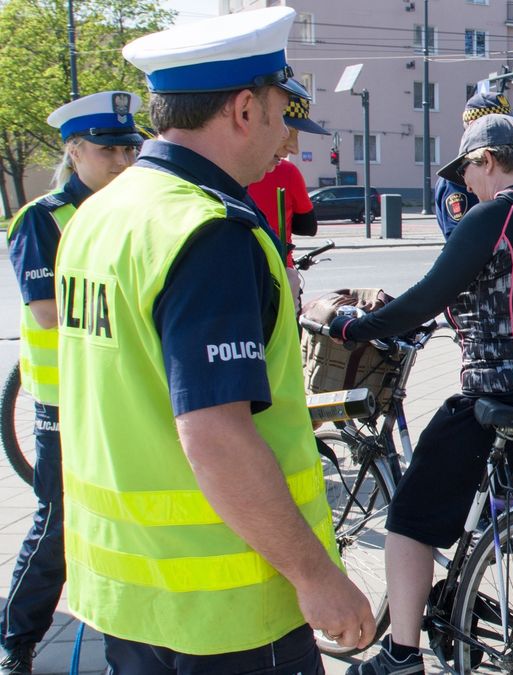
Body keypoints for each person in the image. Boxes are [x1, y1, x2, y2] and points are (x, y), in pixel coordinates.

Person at [53, 7, 375, 671]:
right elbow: (217, 435)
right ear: (242, 108)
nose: (288, 138)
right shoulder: (209, 232)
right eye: (283, 111)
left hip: (130, 593)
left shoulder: (100, 214)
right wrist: (318, 577)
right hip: (227, 613)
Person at [316, 115, 513, 675]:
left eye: (467, 170)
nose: (465, 184)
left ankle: (400, 656)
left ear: (487, 160)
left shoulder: (495, 216)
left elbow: (426, 296)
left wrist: (347, 327)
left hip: (503, 397)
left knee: (411, 518)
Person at [0, 91, 142, 675]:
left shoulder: (132, 210)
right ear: (75, 151)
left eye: (131, 148)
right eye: (109, 150)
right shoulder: (43, 218)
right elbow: (47, 311)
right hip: (66, 405)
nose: (123, 161)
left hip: (121, 401)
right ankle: (17, 642)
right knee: (57, 525)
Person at [247, 94, 330, 268]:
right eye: (286, 131)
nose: (295, 148)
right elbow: (308, 227)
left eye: (296, 134)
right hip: (281, 270)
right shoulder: (287, 171)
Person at [432, 90, 513, 239]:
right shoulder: (458, 178)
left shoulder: (500, 170)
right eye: (498, 125)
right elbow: (462, 243)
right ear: (473, 125)